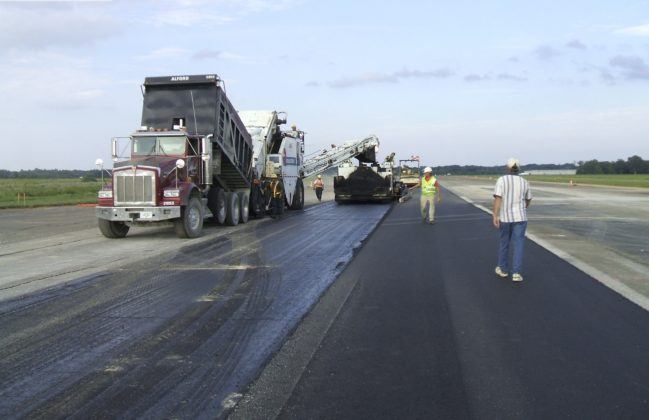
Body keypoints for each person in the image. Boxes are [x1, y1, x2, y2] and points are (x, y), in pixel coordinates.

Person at [492, 158, 532, 282]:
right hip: (520, 217)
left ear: (507, 168)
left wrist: (495, 215)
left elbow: (498, 199)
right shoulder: (524, 182)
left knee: (504, 243)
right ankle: (516, 272)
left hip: (505, 217)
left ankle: (503, 269)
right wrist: (522, 208)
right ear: (518, 168)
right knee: (519, 244)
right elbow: (528, 199)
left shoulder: (502, 180)